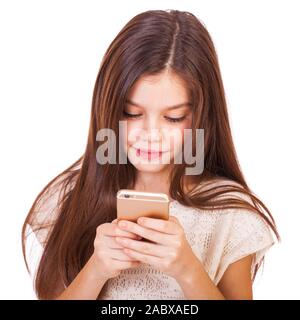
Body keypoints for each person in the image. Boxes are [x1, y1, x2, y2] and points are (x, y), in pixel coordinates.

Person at [22, 9, 280, 300]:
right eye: (132, 113)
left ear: (202, 118)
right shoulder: (69, 198)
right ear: (106, 108)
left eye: (173, 117)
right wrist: (96, 270)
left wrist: (187, 270)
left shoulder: (229, 215)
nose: (151, 134)